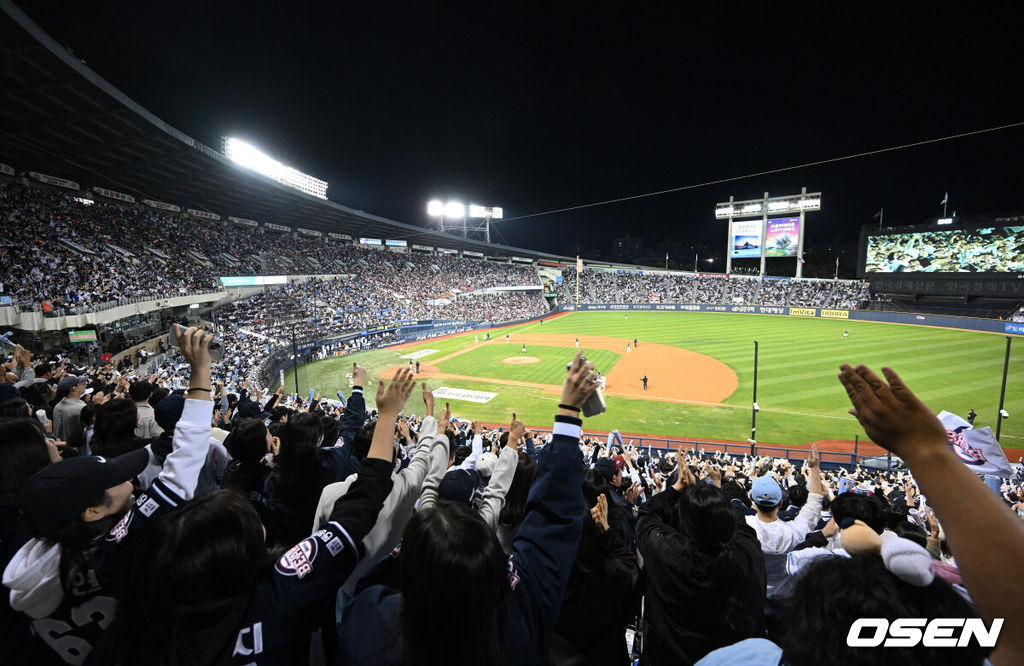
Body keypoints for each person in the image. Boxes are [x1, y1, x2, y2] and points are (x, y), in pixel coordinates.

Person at [93, 372, 404, 666]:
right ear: (238, 561)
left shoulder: (136, 625)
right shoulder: (279, 590)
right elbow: (358, 507)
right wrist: (387, 416)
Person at [338, 351, 597, 665]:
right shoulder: (519, 620)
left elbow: (420, 486)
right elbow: (550, 517)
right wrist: (567, 412)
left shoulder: (368, 623)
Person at [2, 326, 216, 665]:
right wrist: (200, 371)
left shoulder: (34, 561)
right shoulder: (111, 552)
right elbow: (183, 467)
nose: (126, 478)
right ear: (91, 512)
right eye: (113, 479)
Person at [638, 452, 766, 664]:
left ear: (685, 525)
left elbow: (646, 517)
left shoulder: (669, 554)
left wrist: (676, 490)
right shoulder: (748, 552)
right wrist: (714, 488)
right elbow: (738, 523)